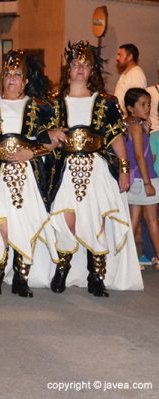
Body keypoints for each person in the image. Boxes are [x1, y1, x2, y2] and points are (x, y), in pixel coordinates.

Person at [47, 41, 142, 296]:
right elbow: (42, 134)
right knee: (67, 219)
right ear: (68, 69)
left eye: (86, 65)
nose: (80, 69)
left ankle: (95, 275)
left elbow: (115, 138)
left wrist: (123, 168)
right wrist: (49, 132)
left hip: (96, 168)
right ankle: (63, 267)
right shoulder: (54, 102)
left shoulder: (105, 102)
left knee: (95, 220)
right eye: (76, 64)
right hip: (65, 169)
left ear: (92, 71)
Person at [0, 50, 63, 297]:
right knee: (2, 227)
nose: (12, 79)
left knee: (25, 225)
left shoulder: (40, 108)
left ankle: (20, 277)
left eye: (17, 75)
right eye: (7, 74)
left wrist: (32, 152)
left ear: (26, 80)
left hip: (28, 175)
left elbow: (53, 141)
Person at [123, 87, 159, 270]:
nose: (147, 108)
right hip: (144, 179)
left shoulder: (131, 124)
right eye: (143, 104)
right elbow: (139, 155)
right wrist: (148, 183)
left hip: (135, 179)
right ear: (130, 107)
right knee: (152, 220)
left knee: (133, 221)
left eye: (149, 104)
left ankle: (126, 259)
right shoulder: (136, 127)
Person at [113, 43, 146, 114]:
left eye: (120, 55)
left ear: (130, 57)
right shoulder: (125, 73)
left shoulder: (137, 74)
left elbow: (138, 101)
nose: (117, 58)